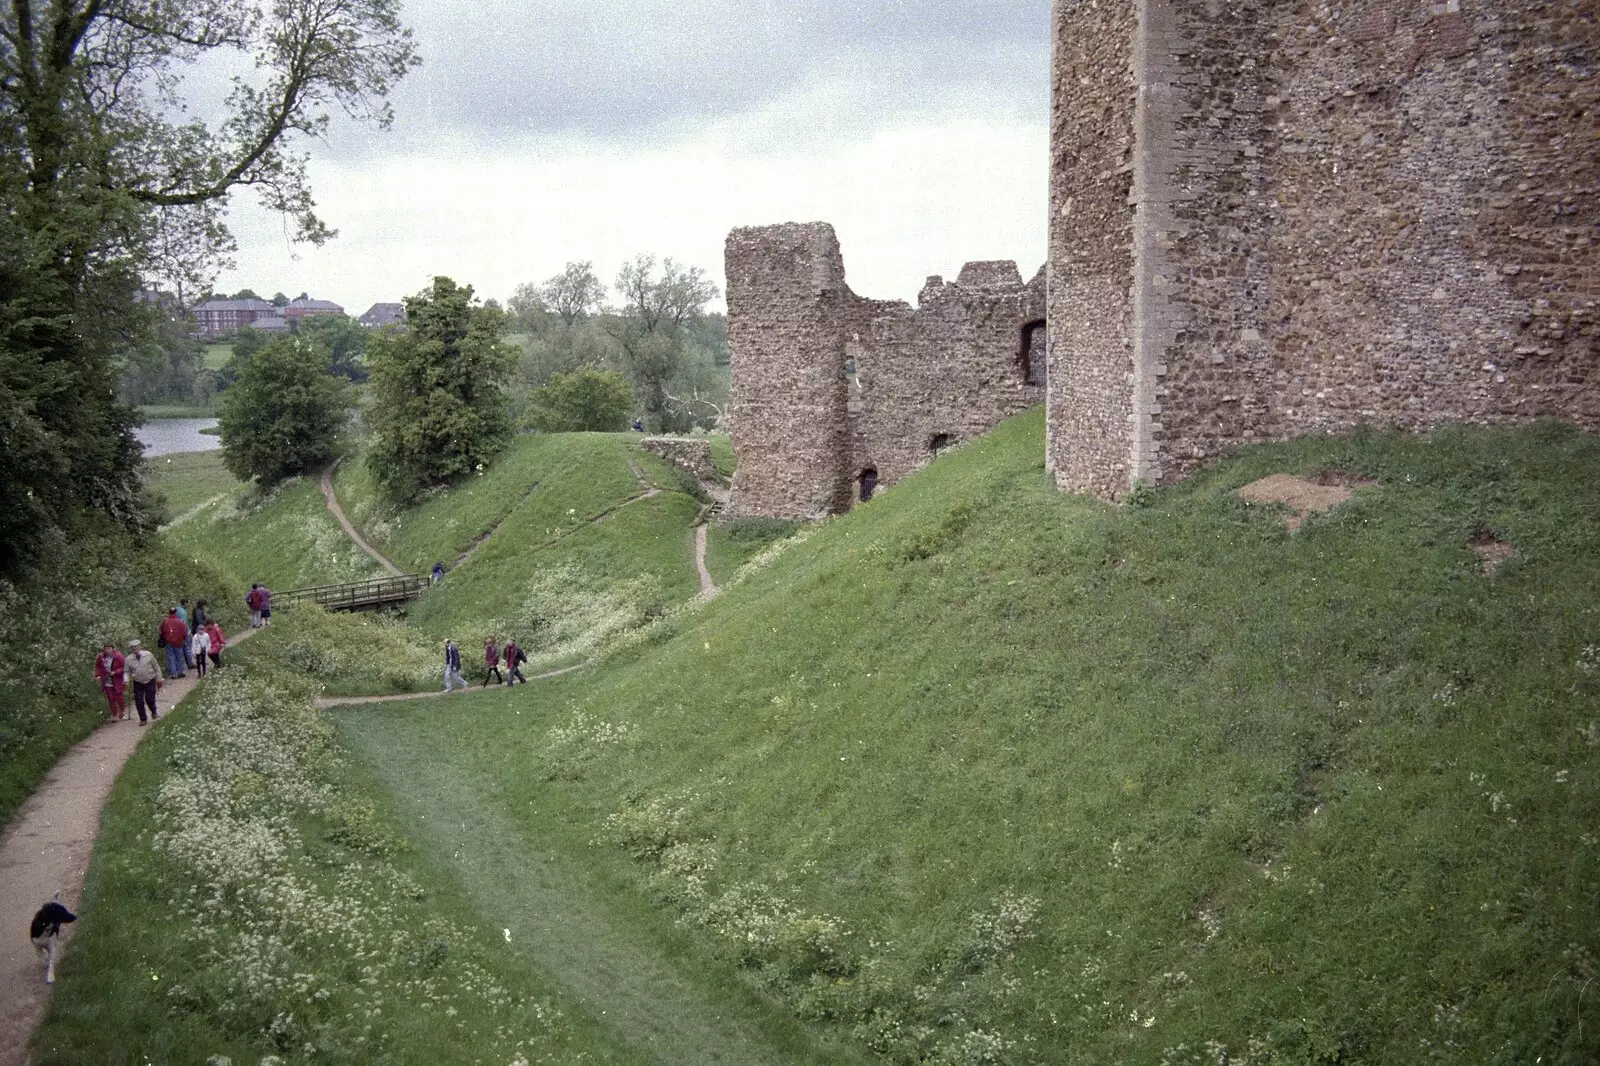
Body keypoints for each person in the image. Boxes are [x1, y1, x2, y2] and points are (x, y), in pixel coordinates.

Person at [125, 639, 162, 725]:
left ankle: (153, 710)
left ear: (140, 646)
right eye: (133, 647)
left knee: (149, 699)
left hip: (150, 680)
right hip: (138, 682)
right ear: (131, 649)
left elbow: (156, 666)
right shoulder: (128, 659)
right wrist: (126, 680)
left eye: (137, 646)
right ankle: (143, 719)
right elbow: (126, 671)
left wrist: (159, 678)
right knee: (139, 701)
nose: (135, 648)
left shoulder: (148, 655)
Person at [94, 643, 126, 722]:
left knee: (119, 697)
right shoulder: (101, 657)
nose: (107, 650)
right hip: (107, 680)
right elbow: (97, 666)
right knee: (110, 698)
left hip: (117, 680)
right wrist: (97, 675)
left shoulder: (119, 656)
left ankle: (122, 710)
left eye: (109, 648)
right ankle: (114, 715)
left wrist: (115, 672)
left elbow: (124, 667)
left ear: (113, 649)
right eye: (106, 649)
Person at [158, 607, 188, 679]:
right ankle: (180, 672)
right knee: (179, 657)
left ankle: (173, 674)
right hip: (179, 642)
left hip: (168, 642)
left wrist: (163, 636)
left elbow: (159, 629)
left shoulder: (165, 621)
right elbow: (184, 632)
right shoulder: (180, 621)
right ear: (176, 612)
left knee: (171, 658)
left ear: (169, 612)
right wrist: (184, 639)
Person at [176, 599, 194, 671]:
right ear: (185, 603)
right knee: (187, 648)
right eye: (187, 603)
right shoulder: (183, 612)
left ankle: (180, 666)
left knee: (180, 650)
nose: (188, 605)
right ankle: (190, 664)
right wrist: (187, 632)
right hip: (183, 632)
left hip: (176, 633)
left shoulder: (177, 609)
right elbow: (183, 624)